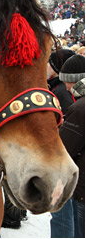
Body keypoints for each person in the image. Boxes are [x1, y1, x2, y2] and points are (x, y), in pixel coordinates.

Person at [51, 54, 85, 238]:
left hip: (80, 185)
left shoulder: (80, 108)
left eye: (68, 82)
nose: (66, 87)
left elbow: (64, 148)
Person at [47, 49, 76, 116]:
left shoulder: (62, 90)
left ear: (56, 66)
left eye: (49, 62)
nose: (47, 65)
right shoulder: (57, 85)